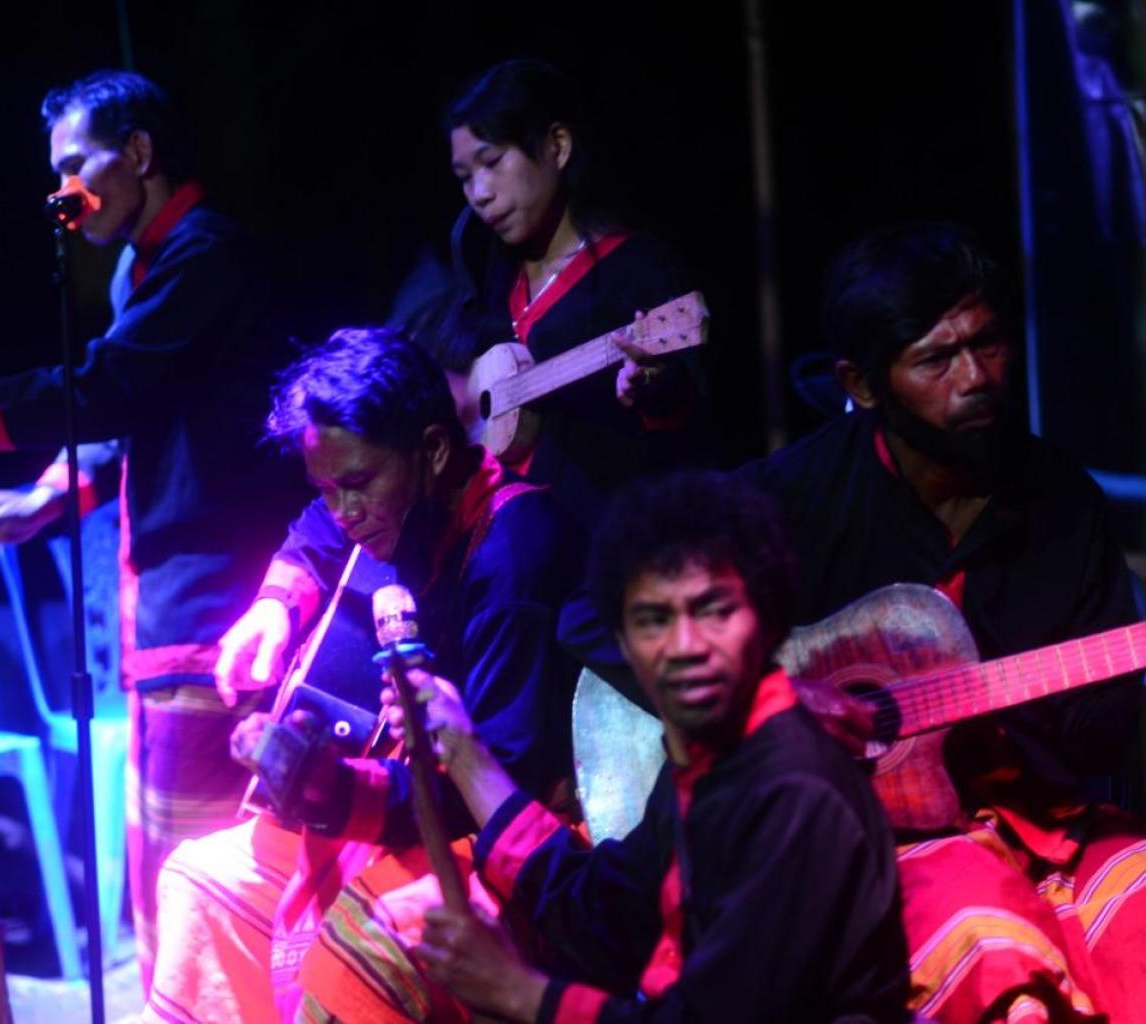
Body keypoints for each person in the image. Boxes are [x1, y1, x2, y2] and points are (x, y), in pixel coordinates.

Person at [0, 69, 299, 987]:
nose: (64, 189)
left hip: (213, 604)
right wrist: (43, 501)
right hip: (167, 608)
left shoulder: (206, 257)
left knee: (205, 879)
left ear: (138, 152)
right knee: (166, 875)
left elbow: (110, 386)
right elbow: (135, 422)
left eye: (76, 165)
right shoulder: (145, 266)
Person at [738, 223, 1146, 1023]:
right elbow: (598, 610)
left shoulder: (1061, 498)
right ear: (863, 384)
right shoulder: (792, 497)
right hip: (874, 848)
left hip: (1040, 822)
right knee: (999, 967)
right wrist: (774, 704)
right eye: (936, 360)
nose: (977, 378)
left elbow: (1095, 736)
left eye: (988, 343)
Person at [145, 328, 588, 1023]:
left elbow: (501, 777)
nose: (344, 514)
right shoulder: (400, 502)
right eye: (327, 489)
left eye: (356, 486)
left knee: (358, 946)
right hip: (404, 801)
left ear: (433, 451)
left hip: (502, 834)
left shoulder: (511, 553)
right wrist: (273, 606)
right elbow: (317, 528)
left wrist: (336, 789)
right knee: (199, 880)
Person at [397, 470, 909, 1023]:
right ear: (621, 642)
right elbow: (606, 916)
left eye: (714, 611)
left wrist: (516, 991)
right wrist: (463, 753)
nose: (685, 645)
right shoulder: (707, 763)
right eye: (653, 620)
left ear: (767, 620)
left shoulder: (794, 791)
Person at [436, 59, 713, 522]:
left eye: (493, 161)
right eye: (465, 177)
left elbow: (691, 435)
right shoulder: (492, 275)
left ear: (558, 146)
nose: (480, 193)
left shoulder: (637, 270)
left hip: (613, 536)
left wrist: (659, 391)